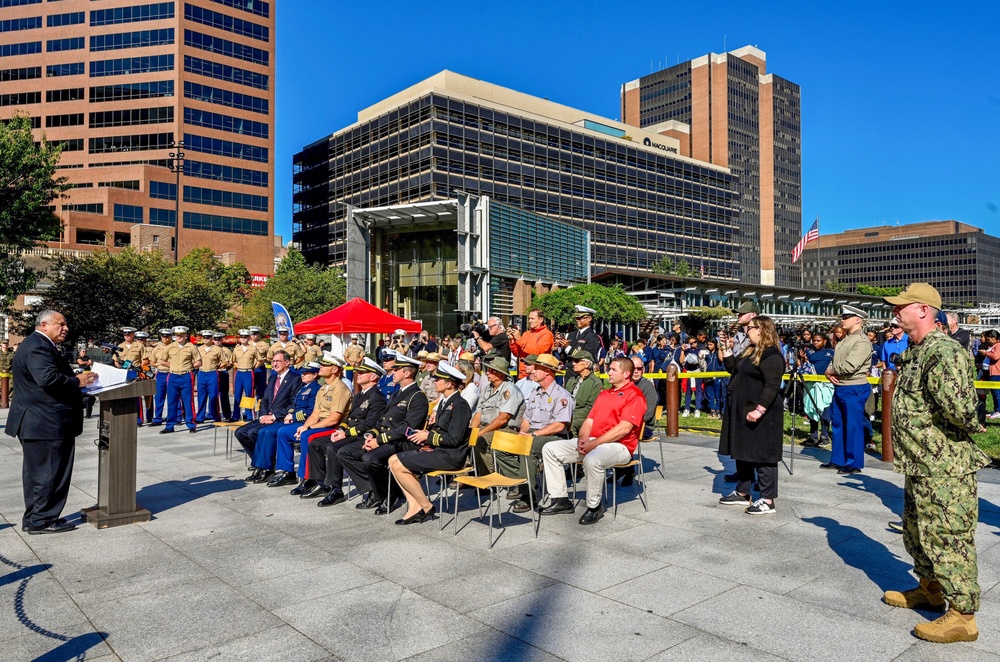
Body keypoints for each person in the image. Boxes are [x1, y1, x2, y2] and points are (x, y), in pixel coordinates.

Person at [880, 283, 990, 644]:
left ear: (924, 310)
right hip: (921, 464)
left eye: (902, 307)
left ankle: (963, 616)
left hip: (944, 467)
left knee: (948, 537)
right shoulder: (917, 351)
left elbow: (960, 409)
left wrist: (971, 428)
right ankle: (930, 590)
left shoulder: (942, 351)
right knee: (917, 533)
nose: (895, 313)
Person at [4, 310, 98, 534]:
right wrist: (77, 380)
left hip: (39, 421)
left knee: (38, 474)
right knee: (50, 473)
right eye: (61, 324)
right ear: (44, 325)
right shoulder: (38, 345)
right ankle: (43, 520)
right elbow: (47, 379)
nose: (65, 328)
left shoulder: (36, 343)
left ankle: (35, 517)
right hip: (45, 422)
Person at [538, 357, 646, 525]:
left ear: (626, 374)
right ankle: (560, 500)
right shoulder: (605, 393)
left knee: (592, 458)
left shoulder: (635, 395)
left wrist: (593, 444)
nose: (608, 372)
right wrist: (582, 441)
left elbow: (624, 428)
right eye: (609, 368)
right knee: (550, 448)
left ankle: (594, 506)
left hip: (620, 446)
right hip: (595, 442)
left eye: (613, 369)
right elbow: (589, 421)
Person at [338, 352, 428, 515]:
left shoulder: (417, 396)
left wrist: (379, 440)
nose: (392, 373)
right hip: (386, 439)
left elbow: (407, 428)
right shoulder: (397, 393)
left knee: (370, 458)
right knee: (345, 452)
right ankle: (377, 489)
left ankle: (390, 494)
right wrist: (371, 436)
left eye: (396, 370)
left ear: (407, 373)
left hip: (402, 442)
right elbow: (381, 422)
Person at [388, 362, 473, 525]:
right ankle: (414, 506)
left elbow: (454, 439)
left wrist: (427, 436)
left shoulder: (460, 405)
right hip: (439, 450)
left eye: (438, 379)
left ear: (448, 384)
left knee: (399, 466)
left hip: (451, 456)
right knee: (392, 460)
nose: (435, 382)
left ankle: (426, 506)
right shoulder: (445, 402)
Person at [717, 315, 785, 515]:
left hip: (762, 413)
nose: (746, 331)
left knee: (764, 455)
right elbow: (733, 369)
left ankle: (768, 500)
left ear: (761, 330)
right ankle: (743, 492)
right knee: (743, 451)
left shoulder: (771, 355)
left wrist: (760, 410)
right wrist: (725, 347)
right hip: (743, 409)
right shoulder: (751, 351)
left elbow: (772, 386)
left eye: (750, 328)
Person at [303, 357, 388, 504]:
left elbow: (369, 425)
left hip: (363, 436)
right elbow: (349, 418)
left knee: (333, 448)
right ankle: (321, 482)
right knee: (315, 444)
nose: (358, 374)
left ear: (373, 377)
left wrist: (345, 433)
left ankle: (337, 489)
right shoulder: (359, 395)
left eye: (363, 372)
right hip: (351, 434)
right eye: (358, 372)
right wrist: (341, 429)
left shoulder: (377, 397)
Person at [268, 356, 352, 487]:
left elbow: (334, 419)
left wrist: (309, 428)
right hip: (321, 423)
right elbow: (315, 413)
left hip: (334, 426)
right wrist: (305, 426)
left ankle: (308, 477)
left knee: (307, 436)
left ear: (335, 369)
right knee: (284, 432)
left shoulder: (340, 389)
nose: (321, 367)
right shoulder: (324, 387)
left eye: (325, 365)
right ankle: (288, 472)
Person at [504, 354, 573, 514]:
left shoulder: (561, 395)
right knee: (503, 443)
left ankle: (528, 494)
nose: (532, 372)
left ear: (548, 372)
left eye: (537, 369)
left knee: (528, 446)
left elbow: (559, 425)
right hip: (533, 433)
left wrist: (533, 436)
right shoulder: (536, 392)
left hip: (553, 436)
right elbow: (527, 419)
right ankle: (519, 479)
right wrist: (522, 431)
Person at [245, 362, 320, 483]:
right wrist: (289, 414)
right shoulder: (303, 388)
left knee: (271, 432)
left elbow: (311, 411)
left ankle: (279, 470)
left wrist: (294, 417)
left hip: (303, 421)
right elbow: (293, 406)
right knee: (263, 431)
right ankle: (261, 466)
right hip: (292, 419)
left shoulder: (316, 389)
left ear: (315, 375)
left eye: (306, 373)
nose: (303, 375)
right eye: (302, 372)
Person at [821, 306, 874, 475]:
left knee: (853, 426)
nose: (842, 319)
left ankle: (853, 462)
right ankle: (838, 459)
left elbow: (851, 366)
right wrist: (830, 370)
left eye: (847, 316)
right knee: (838, 424)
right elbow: (835, 360)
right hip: (842, 386)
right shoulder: (845, 339)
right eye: (843, 316)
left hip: (854, 386)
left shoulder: (862, 341)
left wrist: (831, 370)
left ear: (858, 320)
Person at [236, 351, 301, 467]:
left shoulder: (295, 379)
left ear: (287, 362)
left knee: (254, 433)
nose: (274, 364)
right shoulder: (273, 378)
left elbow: (293, 404)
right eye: (273, 361)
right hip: (266, 417)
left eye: (278, 361)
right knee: (240, 432)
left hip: (280, 418)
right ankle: (259, 462)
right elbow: (265, 400)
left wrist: (273, 416)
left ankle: (264, 465)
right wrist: (262, 416)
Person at [470, 356, 526, 475]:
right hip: (489, 428)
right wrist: (471, 432)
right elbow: (478, 414)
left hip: (506, 429)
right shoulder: (487, 390)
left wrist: (480, 433)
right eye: (488, 370)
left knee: (480, 440)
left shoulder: (509, 389)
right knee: (463, 438)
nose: (488, 373)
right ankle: (469, 473)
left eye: (492, 370)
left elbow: (502, 419)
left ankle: (487, 476)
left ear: (502, 374)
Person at [161, 326, 203, 434]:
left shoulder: (191, 347)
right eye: (177, 335)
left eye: (181, 335)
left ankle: (191, 424)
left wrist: (190, 366)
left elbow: (199, 362)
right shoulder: (170, 347)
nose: (179, 337)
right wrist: (172, 366)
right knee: (171, 401)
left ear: (185, 335)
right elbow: (162, 360)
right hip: (173, 376)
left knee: (188, 401)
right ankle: (170, 425)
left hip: (186, 376)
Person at [798, 333, 835, 446]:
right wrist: (803, 359)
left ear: (824, 341)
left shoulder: (831, 353)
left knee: (824, 409)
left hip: (825, 385)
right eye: (814, 340)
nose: (815, 343)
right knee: (811, 409)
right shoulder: (808, 352)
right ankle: (813, 435)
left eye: (818, 340)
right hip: (811, 385)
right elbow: (803, 367)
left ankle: (825, 435)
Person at [555, 306, 603, 375]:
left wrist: (567, 347)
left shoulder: (592, 337)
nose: (577, 320)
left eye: (580, 318)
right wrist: (560, 346)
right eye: (576, 318)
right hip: (569, 372)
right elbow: (564, 356)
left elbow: (586, 357)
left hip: (583, 374)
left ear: (589, 318)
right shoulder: (571, 335)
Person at [508, 309, 554, 378]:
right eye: (529, 318)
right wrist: (512, 340)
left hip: (537, 375)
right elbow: (517, 353)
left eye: (532, 319)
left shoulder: (547, 334)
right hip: (522, 375)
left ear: (541, 319)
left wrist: (519, 339)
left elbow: (537, 352)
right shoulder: (526, 334)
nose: (529, 321)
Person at [230, 329, 262, 421]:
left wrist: (254, 367)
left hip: (248, 372)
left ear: (248, 338)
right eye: (241, 337)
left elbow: (260, 360)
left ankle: (249, 414)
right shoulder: (236, 349)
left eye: (245, 337)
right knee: (237, 394)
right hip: (239, 372)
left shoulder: (253, 348)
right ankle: (236, 415)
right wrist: (237, 365)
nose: (243, 339)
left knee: (249, 394)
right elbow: (232, 361)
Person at [195, 330, 223, 423]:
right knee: (201, 396)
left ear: (212, 338)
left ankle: (215, 416)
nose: (205, 339)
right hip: (202, 373)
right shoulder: (198, 349)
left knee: (214, 395)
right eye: (204, 337)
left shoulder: (217, 349)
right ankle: (200, 417)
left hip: (212, 373)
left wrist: (217, 367)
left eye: (208, 337)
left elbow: (225, 361)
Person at [629, 355, 658, 440]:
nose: (636, 371)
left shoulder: (648, 388)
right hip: (624, 424)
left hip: (644, 426)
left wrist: (628, 422)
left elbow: (648, 414)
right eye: (633, 368)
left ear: (643, 370)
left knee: (615, 434)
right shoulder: (624, 385)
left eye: (639, 369)